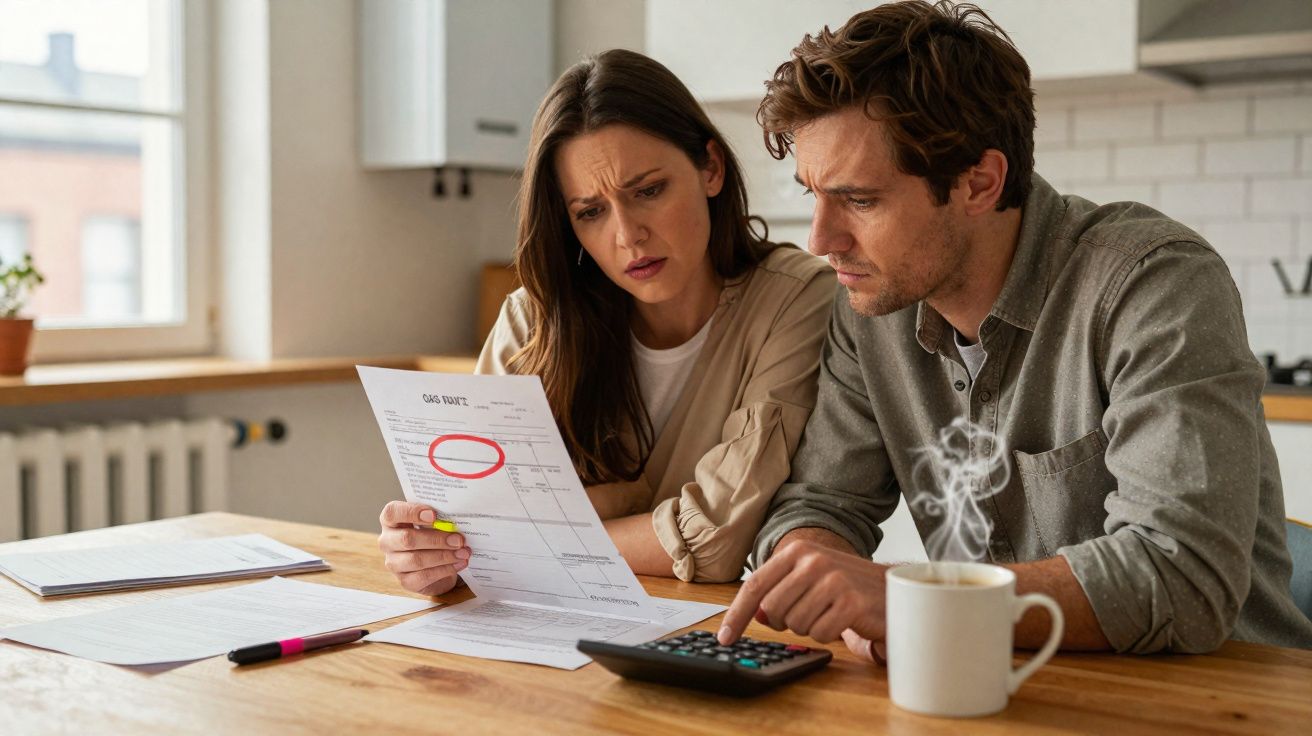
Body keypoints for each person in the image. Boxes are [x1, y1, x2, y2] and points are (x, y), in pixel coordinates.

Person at [717, 0, 1312, 656]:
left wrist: (918, 603)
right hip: (991, 688)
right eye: (813, 194)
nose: (824, 240)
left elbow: (1180, 573)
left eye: (860, 200)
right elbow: (821, 505)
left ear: (979, 184)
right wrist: (816, 572)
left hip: (1215, 700)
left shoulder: (1152, 285)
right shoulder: (871, 310)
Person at [378, 50, 835, 595]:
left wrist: (525, 538)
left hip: (705, 648)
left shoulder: (797, 298)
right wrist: (427, 557)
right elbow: (467, 527)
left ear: (710, 168)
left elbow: (712, 543)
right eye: (590, 212)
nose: (627, 235)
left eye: (647, 191)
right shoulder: (532, 319)